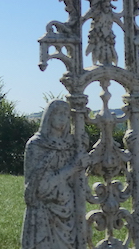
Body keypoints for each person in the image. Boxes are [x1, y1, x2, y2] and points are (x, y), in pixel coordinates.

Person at [21, 99, 88, 249]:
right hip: (44, 213)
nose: (62, 118)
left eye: (66, 115)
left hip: (68, 211)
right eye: (58, 113)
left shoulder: (70, 144)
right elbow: (40, 188)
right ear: (49, 116)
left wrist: (83, 148)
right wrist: (71, 168)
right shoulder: (37, 145)